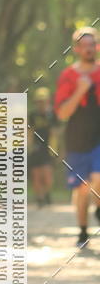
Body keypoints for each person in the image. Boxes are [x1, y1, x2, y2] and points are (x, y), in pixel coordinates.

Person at [54, 27, 100, 248]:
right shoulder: (68, 76)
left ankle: (98, 208)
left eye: (93, 44)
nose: (89, 49)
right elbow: (62, 113)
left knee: (98, 177)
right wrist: (81, 90)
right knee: (82, 189)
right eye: (85, 45)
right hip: (77, 141)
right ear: (76, 49)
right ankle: (83, 230)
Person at [28, 87, 55, 207]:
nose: (41, 103)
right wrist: (28, 146)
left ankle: (46, 193)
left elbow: (58, 130)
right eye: (39, 101)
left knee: (47, 175)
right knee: (36, 174)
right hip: (36, 147)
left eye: (43, 101)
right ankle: (39, 198)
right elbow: (28, 130)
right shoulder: (33, 115)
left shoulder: (53, 115)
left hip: (49, 148)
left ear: (48, 101)